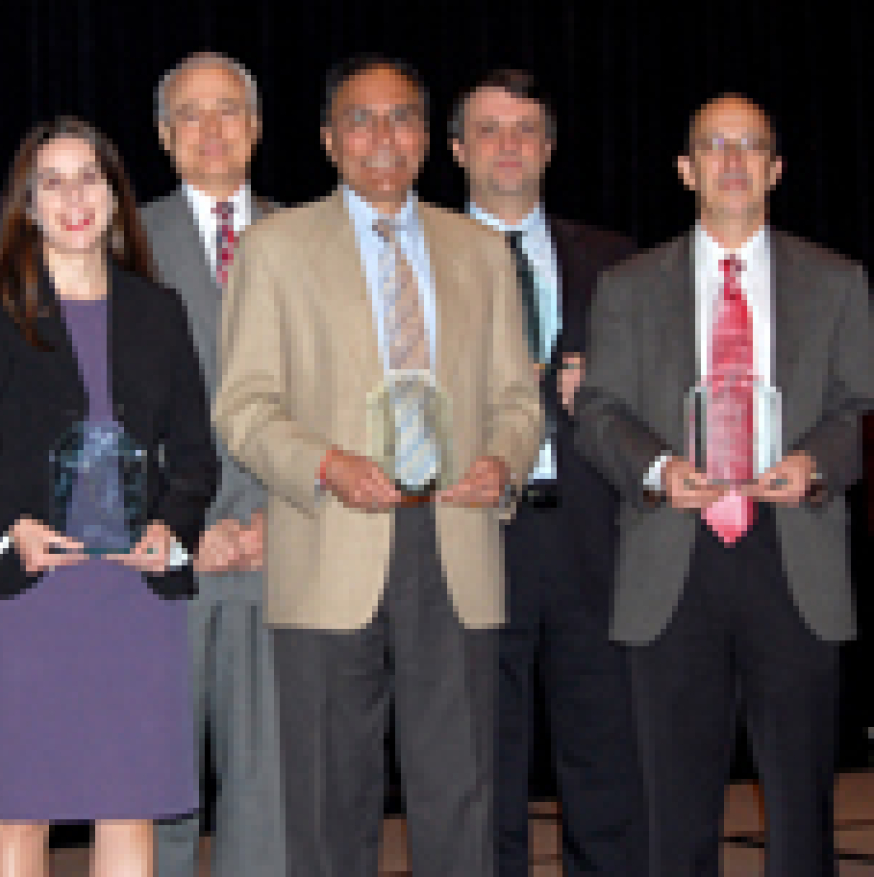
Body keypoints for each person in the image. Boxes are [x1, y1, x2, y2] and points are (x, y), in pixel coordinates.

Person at [213, 55, 543, 877]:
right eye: (361, 119)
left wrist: (504, 460)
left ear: (428, 139)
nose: (382, 136)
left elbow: (518, 398)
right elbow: (244, 406)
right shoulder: (274, 248)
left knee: (459, 793)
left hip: (456, 542)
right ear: (329, 139)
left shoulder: (480, 251)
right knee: (329, 801)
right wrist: (325, 464)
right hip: (331, 539)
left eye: (401, 118)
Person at [0, 116, 218, 877]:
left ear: (115, 197)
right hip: (25, 595)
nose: (74, 197)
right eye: (53, 181)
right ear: (28, 205)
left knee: (128, 803)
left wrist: (173, 524)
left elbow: (196, 456)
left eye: (90, 178)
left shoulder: (158, 311)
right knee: (19, 811)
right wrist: (7, 529)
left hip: (134, 594)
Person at [574, 93, 874, 876]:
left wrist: (815, 463)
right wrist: (654, 467)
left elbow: (859, 408)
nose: (733, 161)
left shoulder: (838, 281)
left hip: (793, 555)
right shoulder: (629, 287)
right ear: (686, 168)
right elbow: (598, 410)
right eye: (714, 145)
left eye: (750, 146)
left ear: (775, 168)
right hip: (674, 560)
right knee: (673, 808)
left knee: (804, 809)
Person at [447, 69, 642, 877]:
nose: (508, 145)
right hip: (474, 530)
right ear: (456, 149)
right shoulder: (415, 256)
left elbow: (655, 398)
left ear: (550, 148)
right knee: (483, 762)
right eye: (489, 129)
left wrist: (610, 382)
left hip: (589, 531)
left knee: (606, 758)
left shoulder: (618, 261)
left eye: (525, 129)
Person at [142, 51, 286, 877]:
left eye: (228, 109)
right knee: (158, 790)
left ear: (257, 127)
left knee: (266, 793)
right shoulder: (124, 239)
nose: (211, 128)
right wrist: (189, 525)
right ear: (164, 135)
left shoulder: (310, 238)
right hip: (166, 553)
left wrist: (277, 517)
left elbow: (334, 398)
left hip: (280, 550)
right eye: (190, 113)